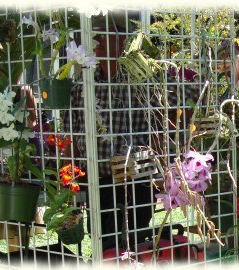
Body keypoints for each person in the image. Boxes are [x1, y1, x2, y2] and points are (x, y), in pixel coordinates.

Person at [63, 16, 156, 252]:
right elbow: (71, 138)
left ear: (122, 41)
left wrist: (162, 173)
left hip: (137, 182)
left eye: (104, 34)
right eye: (94, 35)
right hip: (98, 184)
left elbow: (160, 129)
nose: (97, 40)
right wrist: (69, 179)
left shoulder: (141, 85)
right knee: (103, 249)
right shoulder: (81, 88)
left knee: (135, 248)